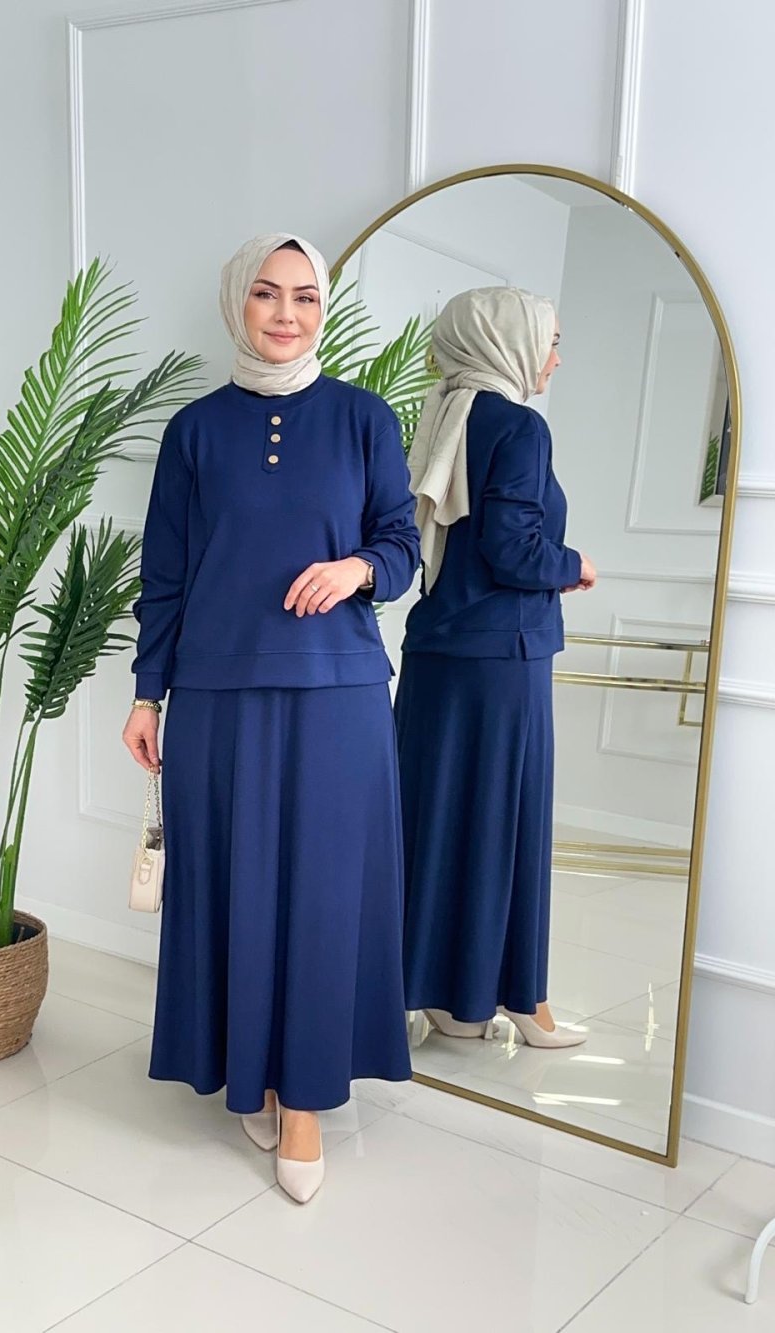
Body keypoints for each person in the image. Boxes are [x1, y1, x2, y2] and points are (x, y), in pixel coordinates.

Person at [122, 233, 420, 1203]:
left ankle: (305, 1103)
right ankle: (251, 1071)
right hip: (216, 696)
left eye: (304, 296)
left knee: (324, 895)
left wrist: (357, 568)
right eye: (265, 293)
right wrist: (146, 693)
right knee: (236, 887)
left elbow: (403, 544)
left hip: (338, 694)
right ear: (237, 304)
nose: (286, 313)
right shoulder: (194, 431)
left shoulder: (365, 419)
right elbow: (165, 576)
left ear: (322, 309)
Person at [396, 286, 596, 1051]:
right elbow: (514, 551)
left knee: (431, 824)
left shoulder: (443, 414)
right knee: (502, 827)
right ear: (507, 339)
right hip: (502, 665)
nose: (554, 358)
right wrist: (575, 565)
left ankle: (432, 996)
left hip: (435, 657)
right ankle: (517, 1000)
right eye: (551, 340)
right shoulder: (518, 426)